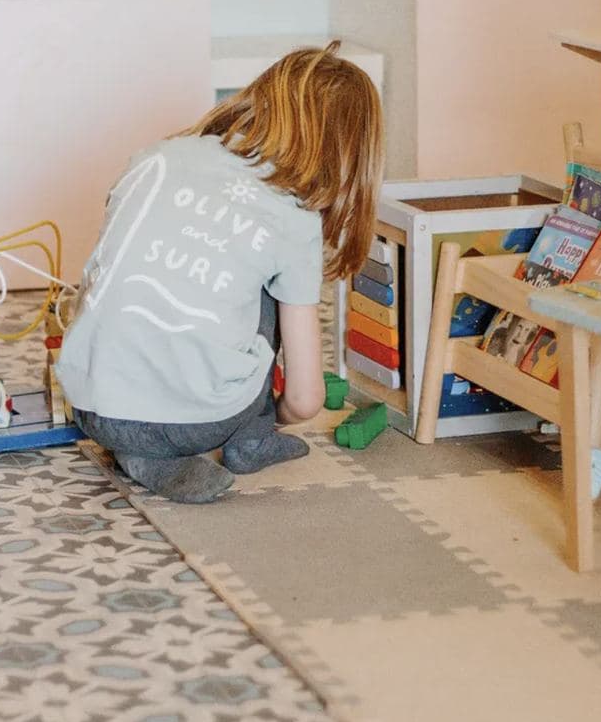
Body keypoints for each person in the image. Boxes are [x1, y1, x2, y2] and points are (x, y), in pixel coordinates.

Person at [57, 43, 383, 503]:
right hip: (199, 423)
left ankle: (141, 452)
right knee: (268, 292)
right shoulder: (294, 217)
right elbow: (306, 399)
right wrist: (273, 413)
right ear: (350, 154)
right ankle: (251, 440)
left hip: (89, 400)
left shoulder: (159, 156)